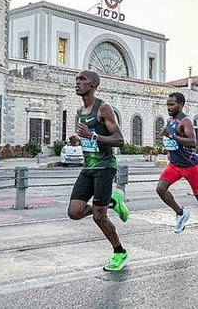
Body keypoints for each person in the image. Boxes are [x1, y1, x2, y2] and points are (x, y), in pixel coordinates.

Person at [67, 70, 130, 272]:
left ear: (93, 84)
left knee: (98, 216)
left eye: (82, 79)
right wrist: (79, 139)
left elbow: (120, 140)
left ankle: (120, 252)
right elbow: (89, 136)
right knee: (74, 212)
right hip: (88, 167)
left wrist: (92, 137)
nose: (77, 83)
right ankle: (113, 201)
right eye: (76, 79)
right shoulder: (80, 112)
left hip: (104, 167)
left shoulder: (103, 108)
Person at [157, 92, 198, 245]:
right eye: (167, 105)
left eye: (172, 104)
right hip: (175, 165)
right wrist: (167, 148)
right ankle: (181, 213)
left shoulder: (186, 121)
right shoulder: (170, 120)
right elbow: (174, 142)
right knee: (160, 189)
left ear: (181, 105)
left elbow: (192, 142)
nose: (169, 108)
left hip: (190, 166)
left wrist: (171, 136)